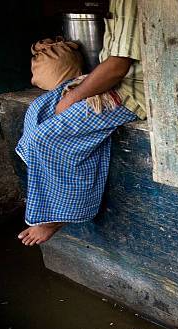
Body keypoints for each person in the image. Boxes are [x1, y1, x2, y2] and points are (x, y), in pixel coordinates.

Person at [17, 0, 145, 246]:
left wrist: (75, 96)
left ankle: (60, 216)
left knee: (45, 138)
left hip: (132, 92)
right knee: (37, 109)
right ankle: (50, 191)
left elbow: (118, 67)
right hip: (114, 81)